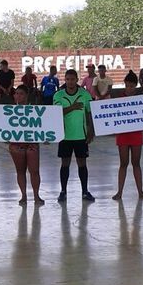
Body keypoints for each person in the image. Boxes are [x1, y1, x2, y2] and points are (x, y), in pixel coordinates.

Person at [53, 68, 95, 203]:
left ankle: (85, 191)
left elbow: (89, 113)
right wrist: (73, 107)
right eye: (67, 79)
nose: (70, 82)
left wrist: (91, 130)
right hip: (65, 136)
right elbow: (56, 113)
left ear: (77, 80)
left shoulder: (85, 94)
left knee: (82, 163)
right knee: (64, 164)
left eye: (72, 79)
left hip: (81, 136)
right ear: (64, 80)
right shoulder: (58, 95)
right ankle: (63, 191)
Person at [112, 71, 143, 201]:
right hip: (122, 135)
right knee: (123, 163)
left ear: (135, 86)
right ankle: (119, 192)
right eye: (127, 85)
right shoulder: (118, 99)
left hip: (136, 134)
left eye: (131, 86)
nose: (129, 88)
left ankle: (140, 192)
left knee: (136, 163)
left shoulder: (141, 101)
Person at [8, 85, 43, 205]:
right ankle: (23, 195)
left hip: (32, 144)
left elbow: (42, 126)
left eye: (21, 93)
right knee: (20, 171)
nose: (18, 96)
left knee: (34, 171)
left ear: (26, 95)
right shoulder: (9, 111)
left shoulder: (34, 109)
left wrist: (46, 136)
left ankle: (36, 196)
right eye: (16, 93)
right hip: (16, 145)